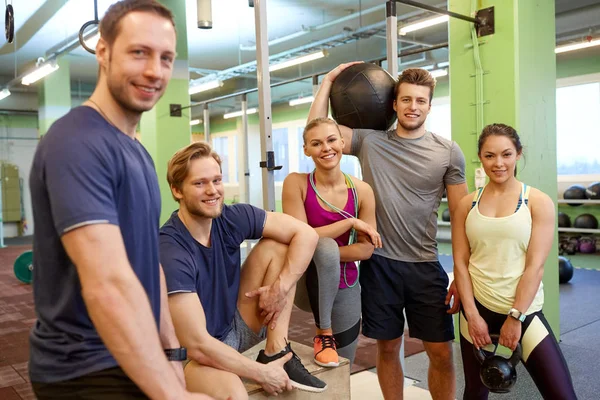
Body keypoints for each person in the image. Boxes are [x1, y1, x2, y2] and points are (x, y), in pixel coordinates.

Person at [27, 1, 213, 399]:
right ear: (103, 52)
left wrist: (172, 355)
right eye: (139, 52)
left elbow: (150, 267)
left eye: (166, 58)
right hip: (85, 369)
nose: (154, 70)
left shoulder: (137, 152)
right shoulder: (75, 141)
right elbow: (107, 285)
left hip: (137, 350)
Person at [308, 64, 465, 399]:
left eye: (420, 101)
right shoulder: (370, 141)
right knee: (389, 347)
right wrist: (327, 82)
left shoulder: (448, 152)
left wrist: (464, 277)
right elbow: (317, 131)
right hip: (380, 264)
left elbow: (462, 215)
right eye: (406, 99)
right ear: (393, 104)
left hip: (425, 265)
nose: (413, 106)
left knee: (440, 352)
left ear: (429, 106)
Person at [159, 141, 328, 399]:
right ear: (176, 190)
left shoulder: (229, 217)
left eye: (217, 180)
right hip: (190, 356)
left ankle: (276, 349)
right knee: (235, 393)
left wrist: (279, 289)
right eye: (200, 183)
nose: (212, 191)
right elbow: (197, 345)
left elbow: (305, 235)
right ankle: (261, 365)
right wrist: (261, 373)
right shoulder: (171, 250)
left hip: (233, 327)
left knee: (278, 246)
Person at [451, 123, 577, 400]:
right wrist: (471, 316)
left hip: (523, 313)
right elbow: (460, 262)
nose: (498, 163)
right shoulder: (466, 205)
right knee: (475, 392)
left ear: (518, 154)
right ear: (480, 157)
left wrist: (515, 317)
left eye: (506, 154)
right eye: (490, 156)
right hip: (477, 310)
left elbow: (535, 266)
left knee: (562, 395)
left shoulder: (537, 202)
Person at [282, 117, 381, 368]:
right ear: (306, 150)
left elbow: (366, 249)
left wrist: (328, 258)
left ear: (342, 142)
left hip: (345, 283)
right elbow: (301, 239)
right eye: (316, 143)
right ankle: (323, 332)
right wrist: (349, 223)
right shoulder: (296, 184)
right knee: (323, 247)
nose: (326, 148)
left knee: (343, 365)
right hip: (307, 282)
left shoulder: (362, 191)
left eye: (331, 140)